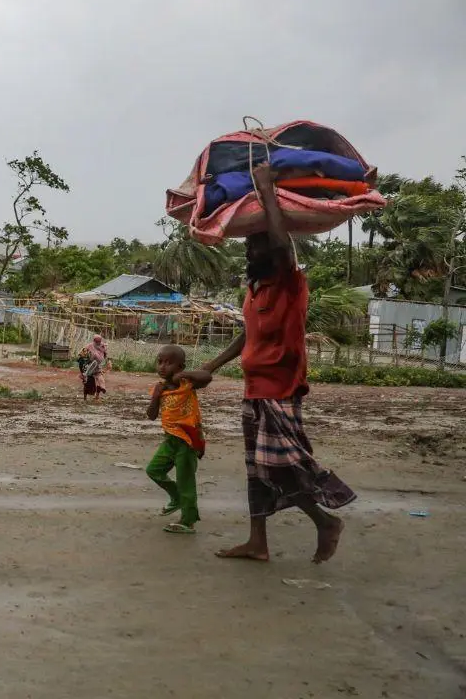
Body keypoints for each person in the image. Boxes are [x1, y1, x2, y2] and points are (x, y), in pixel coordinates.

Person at [203, 163, 355, 563]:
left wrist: (267, 189)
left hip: (280, 391)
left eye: (259, 245)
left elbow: (282, 243)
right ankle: (258, 543)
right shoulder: (255, 291)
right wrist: (210, 368)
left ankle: (325, 522)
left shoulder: (290, 283)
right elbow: (247, 336)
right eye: (248, 246)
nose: (252, 250)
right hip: (254, 392)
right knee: (256, 470)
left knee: (284, 467)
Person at [146, 345, 212, 534]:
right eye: (160, 362)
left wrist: (183, 376)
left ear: (180, 366)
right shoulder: (159, 388)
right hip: (170, 440)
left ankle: (188, 520)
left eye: (169, 363)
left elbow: (207, 377)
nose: (163, 367)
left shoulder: (186, 384)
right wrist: (156, 397)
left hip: (188, 441)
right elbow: (151, 415)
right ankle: (176, 498)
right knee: (153, 470)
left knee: (186, 481)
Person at [78, 335, 110, 401]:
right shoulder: (89, 347)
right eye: (97, 342)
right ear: (94, 341)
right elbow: (81, 356)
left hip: (97, 367)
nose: (98, 343)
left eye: (99, 341)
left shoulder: (103, 346)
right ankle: (86, 398)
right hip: (89, 367)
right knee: (88, 383)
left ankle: (98, 394)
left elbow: (106, 355)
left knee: (100, 380)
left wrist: (108, 362)